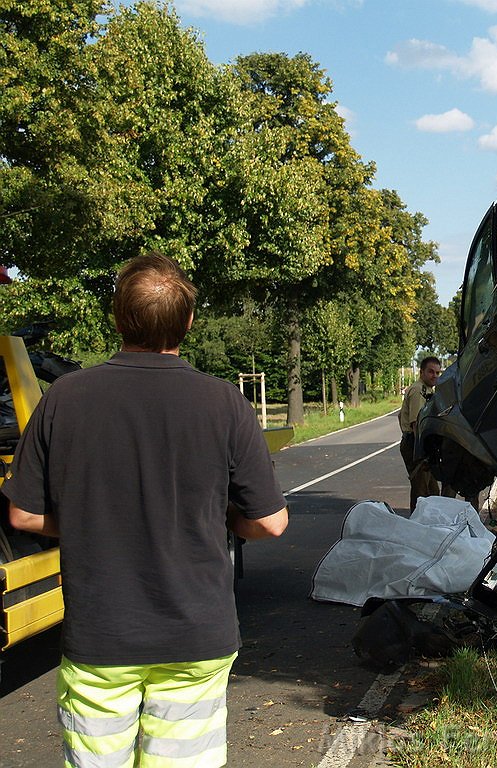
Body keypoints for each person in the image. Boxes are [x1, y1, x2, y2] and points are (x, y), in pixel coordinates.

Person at [4, 253, 288, 768]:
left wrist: (95, 523)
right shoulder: (225, 403)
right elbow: (269, 522)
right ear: (190, 321)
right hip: (196, 636)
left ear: (116, 317)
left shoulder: (64, 398)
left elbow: (23, 517)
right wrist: (216, 519)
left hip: (100, 637)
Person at [399, 356, 442, 510]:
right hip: (415, 444)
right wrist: (422, 452)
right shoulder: (418, 390)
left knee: (431, 492)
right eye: (431, 372)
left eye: (438, 373)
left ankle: (425, 526)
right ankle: (417, 527)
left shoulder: (428, 389)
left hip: (420, 444)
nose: (435, 376)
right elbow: (417, 424)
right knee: (421, 493)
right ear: (422, 372)